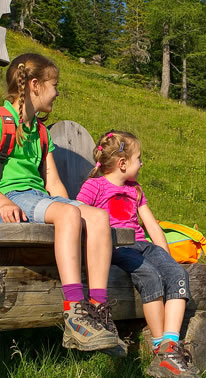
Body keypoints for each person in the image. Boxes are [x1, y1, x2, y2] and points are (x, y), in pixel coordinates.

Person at [0, 53, 121, 354]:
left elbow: (53, 184)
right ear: (35, 86)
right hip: (6, 202)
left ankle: (98, 309)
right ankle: (74, 312)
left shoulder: (40, 132)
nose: (58, 92)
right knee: (68, 214)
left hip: (38, 199)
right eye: (55, 85)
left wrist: (76, 208)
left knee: (98, 217)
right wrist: (2, 203)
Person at [77, 130, 198, 377]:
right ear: (123, 164)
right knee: (149, 275)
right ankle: (159, 348)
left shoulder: (135, 189)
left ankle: (170, 345)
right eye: (139, 158)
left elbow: (151, 225)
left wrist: (165, 256)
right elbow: (77, 213)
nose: (142, 163)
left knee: (176, 274)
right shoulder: (94, 186)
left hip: (143, 245)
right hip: (116, 247)